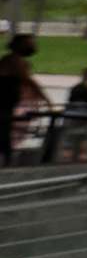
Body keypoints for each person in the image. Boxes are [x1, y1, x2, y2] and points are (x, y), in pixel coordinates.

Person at [1, 33, 45, 165]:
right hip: (3, 105)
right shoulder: (14, 61)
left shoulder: (12, 60)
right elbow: (29, 81)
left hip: (6, 106)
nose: (33, 46)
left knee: (5, 133)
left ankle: (7, 160)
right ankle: (7, 162)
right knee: (3, 133)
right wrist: (46, 100)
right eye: (30, 43)